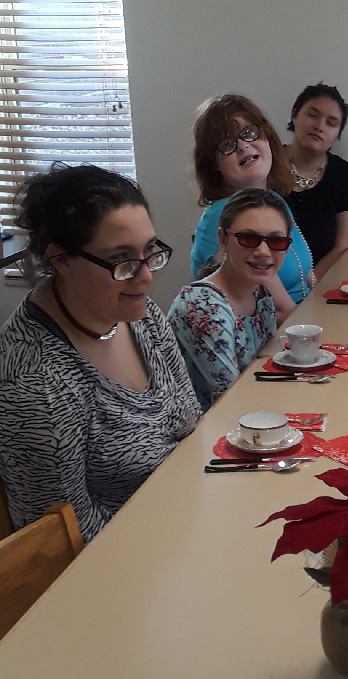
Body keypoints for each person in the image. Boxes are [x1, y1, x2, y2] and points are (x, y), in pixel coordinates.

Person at [0, 164, 201, 543]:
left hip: (183, 520)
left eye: (150, 251)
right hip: (124, 568)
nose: (146, 276)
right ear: (60, 259)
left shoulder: (139, 314)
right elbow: (65, 544)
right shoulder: (37, 387)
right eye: (121, 260)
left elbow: (190, 422)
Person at [191, 94, 313, 313]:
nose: (243, 146)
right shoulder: (220, 217)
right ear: (215, 164)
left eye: (248, 133)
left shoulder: (273, 201)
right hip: (268, 339)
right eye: (227, 144)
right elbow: (281, 311)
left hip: (301, 319)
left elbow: (307, 276)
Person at [169, 189, 288, 411]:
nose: (263, 251)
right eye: (249, 238)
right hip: (201, 434)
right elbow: (230, 402)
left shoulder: (260, 294)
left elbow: (266, 369)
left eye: (277, 241)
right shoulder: (203, 305)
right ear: (222, 239)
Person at [285, 83, 348, 279]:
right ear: (295, 115)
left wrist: (307, 291)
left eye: (331, 123)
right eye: (312, 115)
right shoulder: (264, 166)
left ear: (337, 134)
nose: (319, 126)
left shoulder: (347, 177)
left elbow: (343, 247)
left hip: (322, 287)